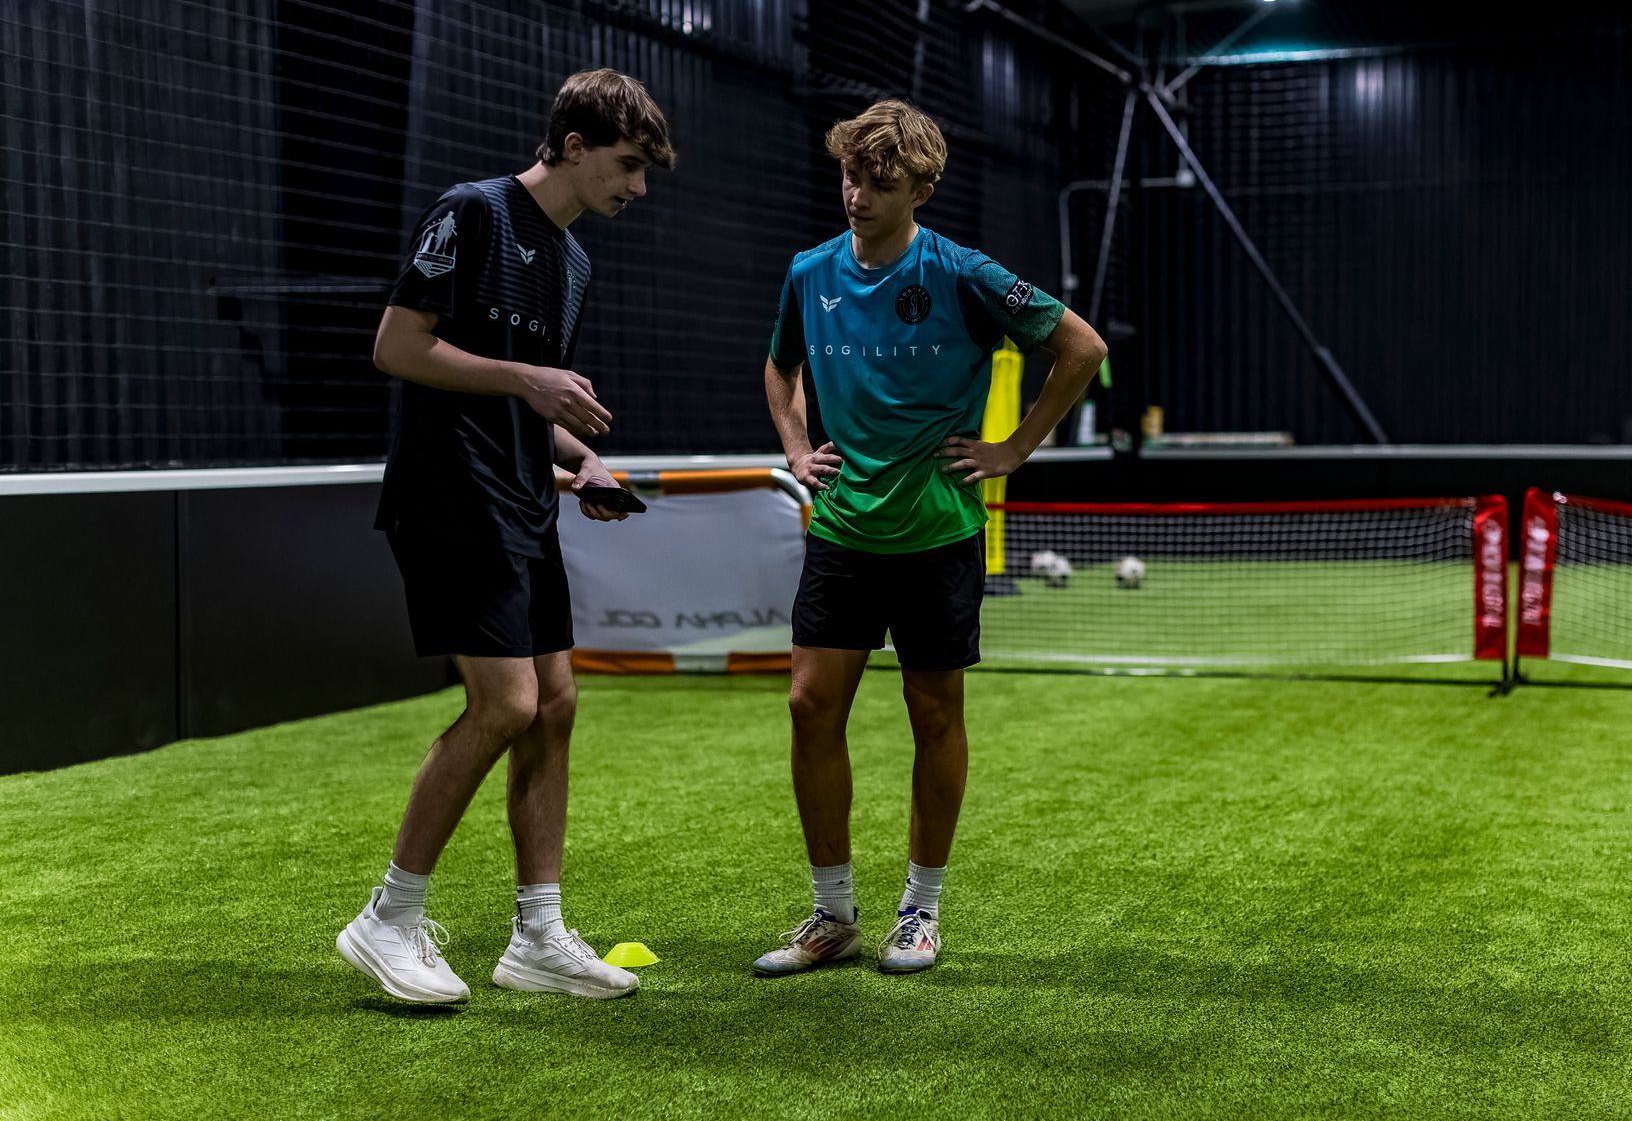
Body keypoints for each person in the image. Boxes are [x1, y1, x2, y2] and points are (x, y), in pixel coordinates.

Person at [334, 69, 674, 1004]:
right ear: (571, 146)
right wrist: (532, 383)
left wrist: (583, 462)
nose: (638, 187)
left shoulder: (573, 263)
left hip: (524, 500)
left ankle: (538, 935)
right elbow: (399, 348)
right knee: (507, 704)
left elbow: (531, 400)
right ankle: (389, 917)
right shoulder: (472, 213)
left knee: (556, 704)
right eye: (628, 164)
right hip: (449, 498)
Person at [756, 99, 1107, 976]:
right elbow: (778, 364)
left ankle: (920, 909)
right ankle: (830, 914)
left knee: (933, 713)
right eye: (849, 175)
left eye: (880, 181)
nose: (857, 194)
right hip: (842, 527)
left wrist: (1014, 449)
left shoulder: (967, 274)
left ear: (923, 186)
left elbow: (1082, 347)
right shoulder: (809, 271)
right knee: (808, 707)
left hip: (938, 531)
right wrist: (797, 448)